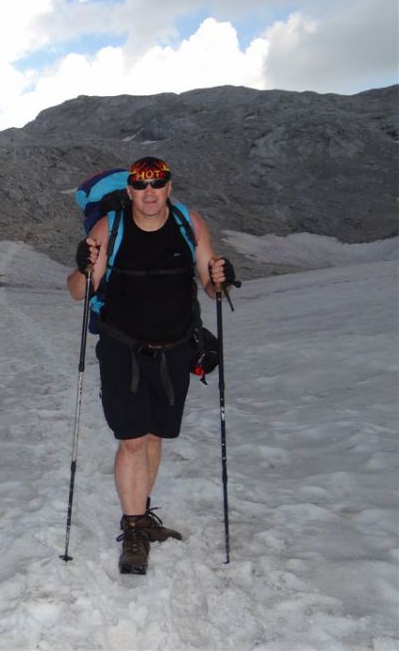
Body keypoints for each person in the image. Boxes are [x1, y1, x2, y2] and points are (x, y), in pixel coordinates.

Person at [66, 156, 237, 575]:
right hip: (122, 348)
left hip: (175, 348)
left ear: (168, 187)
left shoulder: (188, 222)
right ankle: (134, 532)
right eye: (141, 186)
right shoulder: (110, 228)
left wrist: (221, 277)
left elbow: (211, 288)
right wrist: (84, 266)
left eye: (156, 184)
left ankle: (140, 517)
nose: (149, 193)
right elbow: (77, 292)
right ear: (130, 191)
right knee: (133, 441)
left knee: (156, 436)